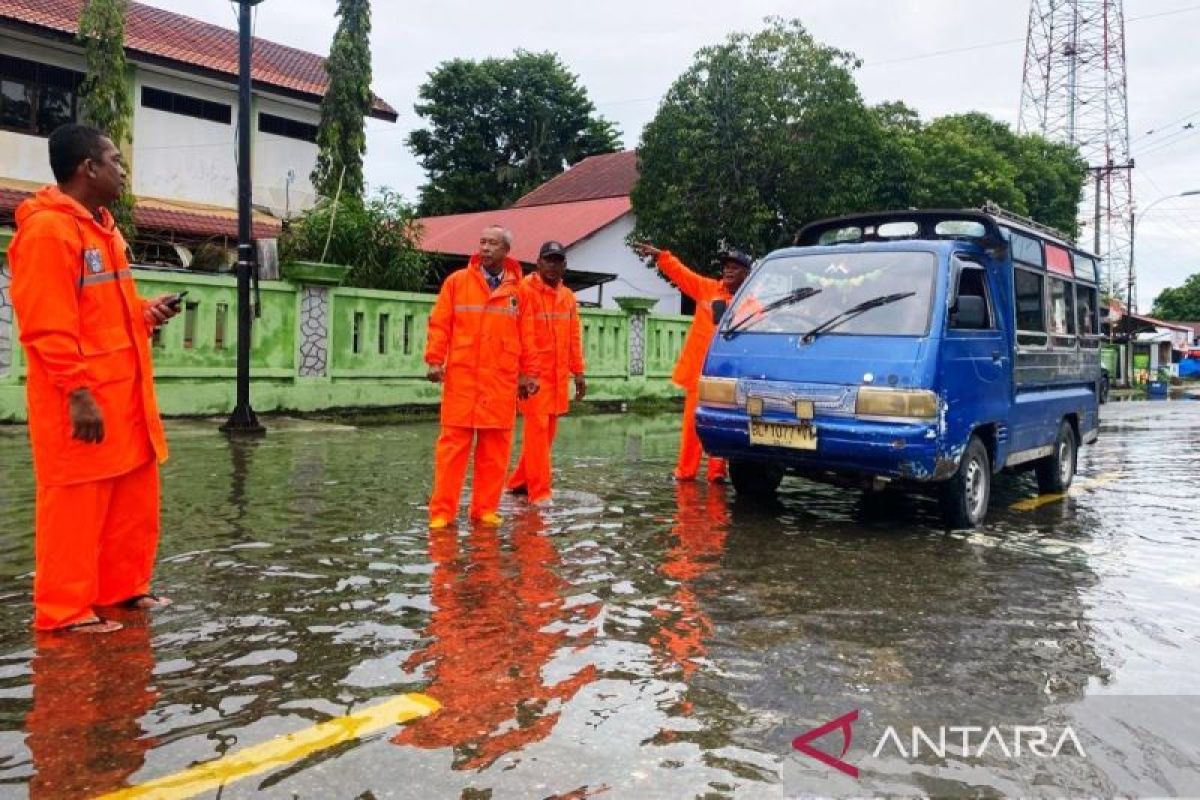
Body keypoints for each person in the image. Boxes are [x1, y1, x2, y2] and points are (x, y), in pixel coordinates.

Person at [8, 124, 179, 634]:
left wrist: (147, 314)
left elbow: (105, 313)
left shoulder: (103, 229)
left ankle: (121, 593)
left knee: (131, 506)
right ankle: (63, 612)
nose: (123, 170)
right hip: (83, 400)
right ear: (89, 168)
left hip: (124, 402)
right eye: (114, 160)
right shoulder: (48, 232)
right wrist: (78, 393)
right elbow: (47, 325)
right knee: (75, 510)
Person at [425, 225, 540, 528]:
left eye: (493, 243)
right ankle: (442, 513)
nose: (485, 248)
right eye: (482, 242)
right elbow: (440, 323)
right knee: (451, 451)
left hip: (500, 383)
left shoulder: (520, 292)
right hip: (462, 381)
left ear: (506, 251)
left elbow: (529, 336)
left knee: (495, 451)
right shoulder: (457, 283)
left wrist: (529, 373)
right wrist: (435, 359)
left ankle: (484, 509)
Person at [631, 242, 753, 482]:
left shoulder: (751, 304)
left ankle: (717, 473)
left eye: (734, 268)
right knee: (691, 425)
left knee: (720, 424)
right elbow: (681, 274)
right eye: (726, 267)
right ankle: (685, 472)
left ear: (747, 274)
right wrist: (662, 257)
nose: (728, 271)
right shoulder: (707, 289)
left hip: (727, 377)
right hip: (699, 372)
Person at [505, 241, 587, 506]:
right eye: (548, 260)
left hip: (558, 378)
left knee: (546, 435)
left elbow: (574, 337)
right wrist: (519, 374)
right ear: (538, 262)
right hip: (532, 379)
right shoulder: (523, 291)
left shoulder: (568, 297)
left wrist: (579, 372)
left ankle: (519, 482)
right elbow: (513, 333)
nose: (552, 265)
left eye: (557, 261)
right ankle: (540, 493)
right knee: (538, 434)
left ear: (564, 265)